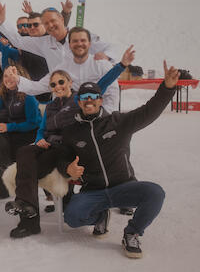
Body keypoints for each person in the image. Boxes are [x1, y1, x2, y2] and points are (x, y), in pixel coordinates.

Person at [5, 45, 134, 238]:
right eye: (53, 84)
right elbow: (41, 129)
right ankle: (27, 207)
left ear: (70, 82)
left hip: (68, 148)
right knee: (25, 152)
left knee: (28, 169)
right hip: (49, 147)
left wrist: (122, 65)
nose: (57, 87)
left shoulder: (78, 101)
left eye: (61, 82)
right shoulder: (50, 106)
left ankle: (29, 219)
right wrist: (39, 140)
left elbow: (103, 83)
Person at [55, 61, 179, 258]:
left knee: (155, 193)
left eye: (93, 96)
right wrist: (67, 168)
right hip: (93, 190)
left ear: (100, 100)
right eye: (84, 97)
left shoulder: (118, 122)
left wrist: (167, 88)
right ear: (79, 102)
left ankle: (132, 232)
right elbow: (61, 158)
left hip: (124, 186)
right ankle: (100, 216)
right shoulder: (71, 132)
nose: (89, 100)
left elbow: (149, 111)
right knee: (72, 217)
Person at [0, 0, 116, 73]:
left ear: (61, 19)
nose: (50, 25)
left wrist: (107, 57)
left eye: (52, 21)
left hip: (86, 96)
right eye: (46, 23)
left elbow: (110, 47)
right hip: (58, 94)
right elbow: (15, 39)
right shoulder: (43, 42)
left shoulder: (80, 35)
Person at [6, 27, 121, 113]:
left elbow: (112, 94)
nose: (79, 44)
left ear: (89, 43)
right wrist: (18, 80)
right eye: (75, 41)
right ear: (69, 45)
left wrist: (108, 115)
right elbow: (39, 87)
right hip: (75, 119)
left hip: (103, 118)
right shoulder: (62, 68)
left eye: (83, 40)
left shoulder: (102, 65)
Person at [0, 69, 42, 200]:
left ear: (20, 77)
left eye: (12, 75)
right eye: (5, 76)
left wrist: (9, 127)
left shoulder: (28, 96)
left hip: (29, 133)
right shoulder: (6, 94)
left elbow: (33, 123)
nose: (8, 79)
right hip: (15, 130)